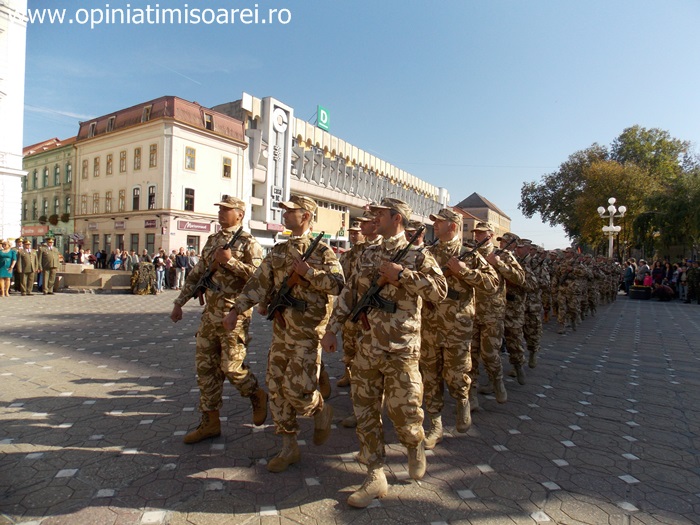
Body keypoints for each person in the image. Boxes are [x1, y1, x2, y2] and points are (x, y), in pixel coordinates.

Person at [321, 197, 447, 508]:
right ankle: (375, 474)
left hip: (402, 348)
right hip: (368, 346)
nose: (374, 218)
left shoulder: (419, 255)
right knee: (364, 410)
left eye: (379, 214)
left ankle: (414, 444)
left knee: (405, 413)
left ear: (396, 217)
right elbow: (350, 292)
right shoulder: (368, 253)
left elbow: (439, 291)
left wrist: (402, 275)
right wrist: (332, 328)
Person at [223, 195, 342, 473]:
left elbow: (338, 285)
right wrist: (236, 310)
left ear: (306, 216)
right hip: (282, 331)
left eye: (291, 211)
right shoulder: (278, 251)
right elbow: (258, 283)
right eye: (285, 211)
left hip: (308, 333)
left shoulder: (323, 251)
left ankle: (320, 409)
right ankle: (289, 447)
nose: (285, 215)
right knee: (276, 388)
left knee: (298, 390)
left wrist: (309, 273)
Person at [171, 195, 268, 444]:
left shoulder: (249, 243)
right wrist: (179, 302)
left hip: (234, 315)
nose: (221, 213)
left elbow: (259, 278)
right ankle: (210, 422)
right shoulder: (213, 240)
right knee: (206, 369)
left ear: (240, 214)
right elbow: (198, 273)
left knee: (231, 367)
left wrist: (231, 262)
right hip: (210, 315)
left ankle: (256, 394)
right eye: (220, 209)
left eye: (227, 209)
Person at [420, 208, 498, 450]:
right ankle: (435, 425)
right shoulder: (427, 253)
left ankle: (463, 398)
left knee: (456, 373)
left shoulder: (468, 254)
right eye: (435, 222)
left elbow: (492, 283)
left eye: (440, 222)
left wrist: (464, 271)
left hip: (457, 325)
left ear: (453, 226)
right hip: (430, 324)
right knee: (430, 376)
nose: (435, 225)